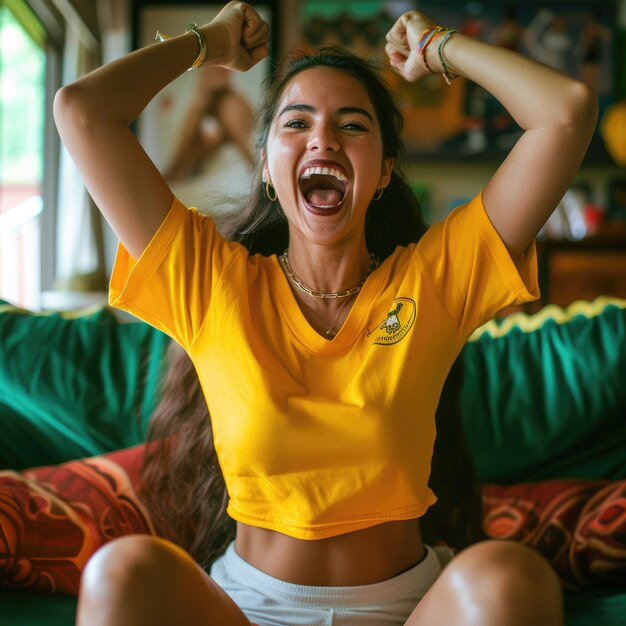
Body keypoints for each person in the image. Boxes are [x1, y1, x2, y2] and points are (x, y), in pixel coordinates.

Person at [53, 2, 597, 625]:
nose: (323, 139)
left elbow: (566, 113)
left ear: (385, 170)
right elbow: (81, 111)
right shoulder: (209, 283)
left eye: (353, 125)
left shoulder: (437, 279)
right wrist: (210, 42)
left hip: (409, 610)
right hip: (248, 609)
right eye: (297, 122)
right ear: (265, 168)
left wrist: (439, 47)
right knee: (121, 574)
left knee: (510, 576)